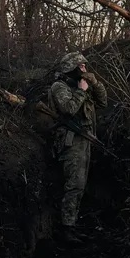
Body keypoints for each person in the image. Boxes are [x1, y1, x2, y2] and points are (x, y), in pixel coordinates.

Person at [45, 51, 108, 240]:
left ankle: (72, 224)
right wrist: (81, 90)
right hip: (71, 141)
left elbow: (103, 102)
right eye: (81, 66)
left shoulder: (81, 85)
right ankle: (66, 228)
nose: (84, 69)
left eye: (84, 66)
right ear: (71, 68)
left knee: (80, 184)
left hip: (85, 140)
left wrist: (94, 84)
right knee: (75, 184)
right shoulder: (60, 86)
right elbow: (69, 110)